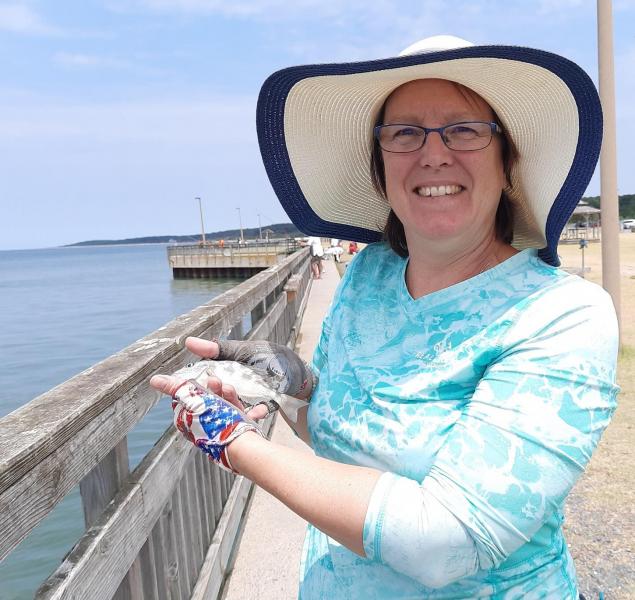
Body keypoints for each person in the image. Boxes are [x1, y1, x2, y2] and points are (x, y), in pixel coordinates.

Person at [151, 35, 619, 598]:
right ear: (382, 168)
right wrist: (287, 384)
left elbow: (447, 542)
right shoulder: (369, 275)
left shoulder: (562, 314)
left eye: (465, 129)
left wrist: (236, 446)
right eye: (404, 133)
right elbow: (339, 434)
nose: (434, 153)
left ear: (508, 163)